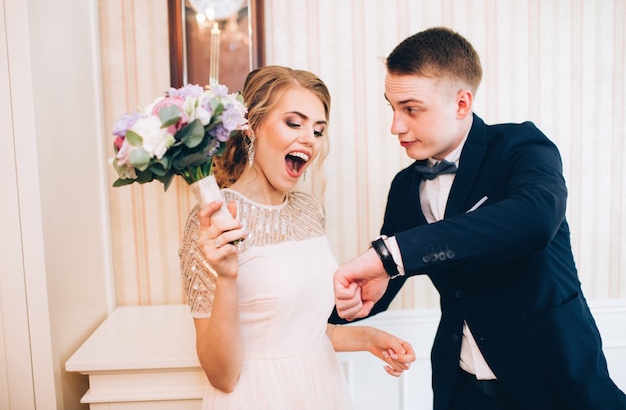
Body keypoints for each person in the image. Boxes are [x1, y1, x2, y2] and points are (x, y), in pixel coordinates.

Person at [331, 27, 626, 410]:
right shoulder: (405, 186)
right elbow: (391, 274)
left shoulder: (520, 147)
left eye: (411, 109)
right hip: (462, 386)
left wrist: (388, 256)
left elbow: (535, 219)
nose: (396, 126)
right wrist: (360, 294)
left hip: (553, 375)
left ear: (461, 103)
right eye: (392, 108)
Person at [179, 65, 416, 410]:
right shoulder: (215, 220)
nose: (309, 139)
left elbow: (303, 330)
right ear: (253, 126)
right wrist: (227, 277)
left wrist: (369, 337)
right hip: (257, 397)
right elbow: (222, 376)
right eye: (294, 123)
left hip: (320, 388)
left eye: (318, 130)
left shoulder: (308, 210)